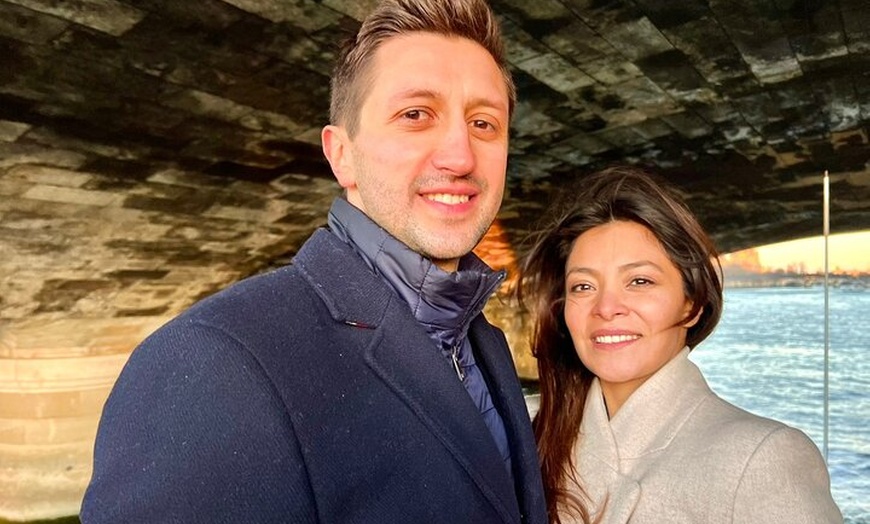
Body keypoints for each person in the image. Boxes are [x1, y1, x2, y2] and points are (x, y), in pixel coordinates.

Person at [80, 1, 547, 522]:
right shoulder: (215, 363)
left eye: (484, 122)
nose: (460, 156)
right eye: (416, 115)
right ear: (341, 154)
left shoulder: (482, 340)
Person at [518, 166, 842, 524]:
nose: (606, 308)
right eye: (583, 286)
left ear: (692, 304)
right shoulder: (523, 430)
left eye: (639, 281)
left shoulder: (763, 459)